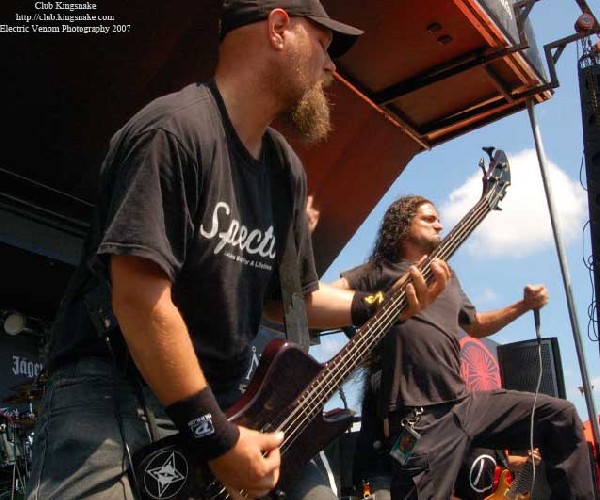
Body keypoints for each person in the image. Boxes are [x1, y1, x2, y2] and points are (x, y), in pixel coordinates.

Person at [24, 3, 451, 499]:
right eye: (323, 44)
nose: (332, 68)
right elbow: (140, 301)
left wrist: (380, 304)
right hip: (116, 390)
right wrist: (219, 439)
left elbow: (290, 302)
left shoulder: (285, 171)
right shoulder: (173, 131)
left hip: (232, 397)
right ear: (277, 29)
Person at [331, 195, 595, 499]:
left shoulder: (447, 275)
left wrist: (523, 305)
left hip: (465, 403)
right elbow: (320, 299)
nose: (439, 224)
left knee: (559, 416)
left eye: (438, 218)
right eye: (428, 218)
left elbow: (477, 324)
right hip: (421, 417)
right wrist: (372, 308)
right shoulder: (378, 271)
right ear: (402, 225)